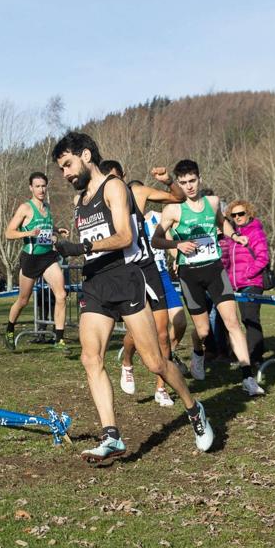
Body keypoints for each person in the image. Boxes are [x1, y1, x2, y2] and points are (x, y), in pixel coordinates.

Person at [51, 131, 213, 462]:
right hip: (96, 281)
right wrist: (71, 247)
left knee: (154, 361)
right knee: (90, 357)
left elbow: (125, 236)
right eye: (61, 169)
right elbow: (93, 240)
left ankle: (194, 410)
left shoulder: (113, 186)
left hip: (125, 278)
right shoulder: (79, 202)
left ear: (85, 155)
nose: (66, 174)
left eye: (67, 165)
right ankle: (111, 435)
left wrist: (82, 247)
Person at [151, 159, 265, 396]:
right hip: (190, 275)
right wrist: (177, 244)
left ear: (199, 179)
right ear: (179, 184)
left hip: (214, 270)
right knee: (203, 332)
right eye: (183, 183)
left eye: (192, 181)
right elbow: (156, 240)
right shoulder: (173, 210)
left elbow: (223, 224)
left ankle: (247, 378)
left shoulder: (212, 203)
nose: (189, 187)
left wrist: (235, 237)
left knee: (232, 322)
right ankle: (197, 352)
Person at [102, 165, 188, 407]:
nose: (113, 185)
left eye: (116, 178)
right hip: (127, 272)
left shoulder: (137, 193)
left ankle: (162, 387)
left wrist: (168, 180)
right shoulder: (101, 203)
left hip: (150, 269)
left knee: (163, 332)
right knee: (136, 333)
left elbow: (178, 198)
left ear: (123, 177)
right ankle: (127, 362)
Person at [3, 172, 70, 352]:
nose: (41, 189)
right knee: (23, 300)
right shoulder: (25, 208)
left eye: (43, 186)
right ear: (31, 188)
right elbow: (8, 233)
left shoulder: (47, 207)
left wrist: (57, 230)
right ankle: (9, 329)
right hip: (31, 258)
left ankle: (59, 339)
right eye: (37, 186)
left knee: (61, 295)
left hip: (48, 257)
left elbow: (45, 229)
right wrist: (27, 233)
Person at [220, 200, 271, 369]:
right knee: (237, 320)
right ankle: (241, 354)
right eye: (233, 215)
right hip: (236, 285)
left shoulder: (255, 232)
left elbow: (263, 258)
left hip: (252, 282)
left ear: (248, 213)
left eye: (241, 214)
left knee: (250, 319)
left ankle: (255, 356)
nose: (237, 217)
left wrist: (248, 273)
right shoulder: (233, 234)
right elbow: (228, 260)